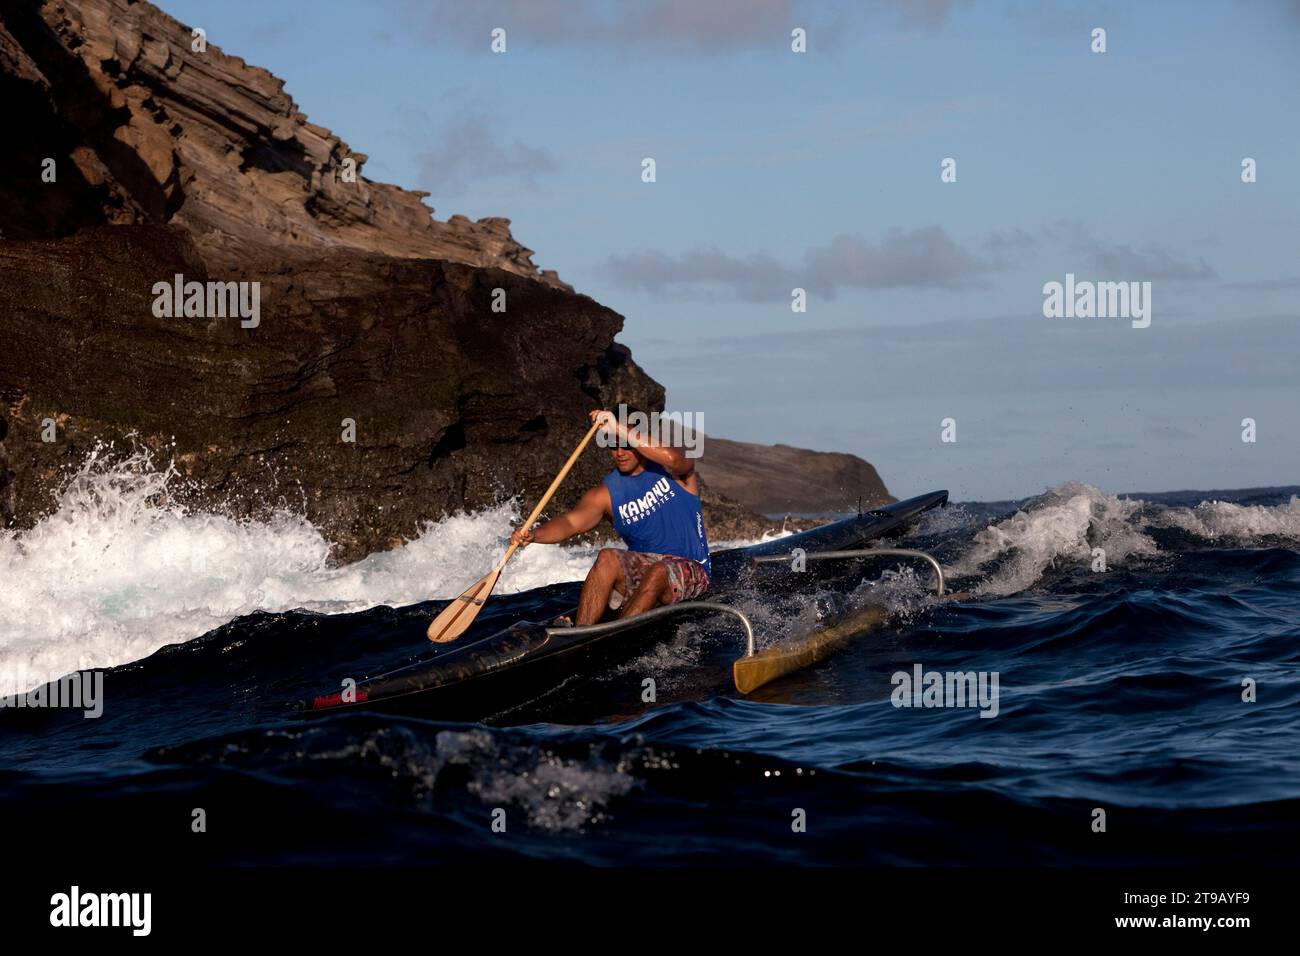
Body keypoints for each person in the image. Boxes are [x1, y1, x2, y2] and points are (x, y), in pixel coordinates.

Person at [510, 409, 710, 625]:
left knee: (659, 571)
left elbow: (674, 458)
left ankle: (618, 635)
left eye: (625, 444)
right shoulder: (606, 493)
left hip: (692, 569)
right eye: (613, 445)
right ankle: (581, 633)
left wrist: (617, 427)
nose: (619, 452)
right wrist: (533, 534)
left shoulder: (674, 471)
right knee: (607, 557)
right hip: (645, 570)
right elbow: (570, 523)